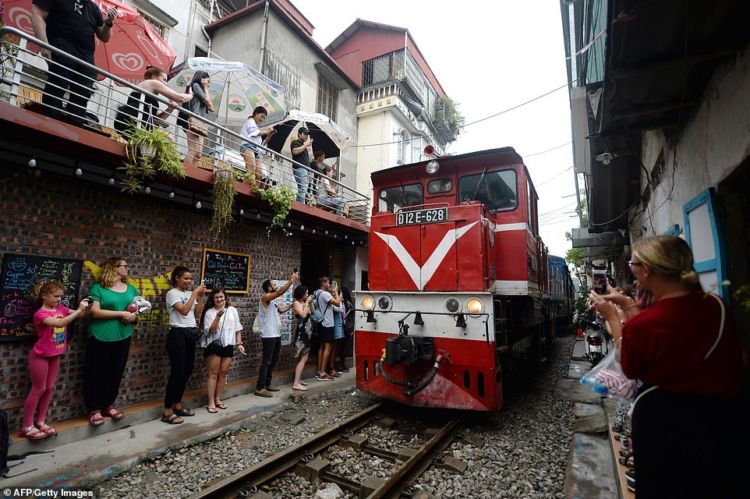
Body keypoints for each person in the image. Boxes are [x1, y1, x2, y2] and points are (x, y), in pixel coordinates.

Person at [590, 236, 747, 499]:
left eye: (633, 264)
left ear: (647, 270)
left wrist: (612, 318)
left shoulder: (644, 325)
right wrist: (627, 305)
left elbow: (630, 366)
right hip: (722, 417)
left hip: (665, 424)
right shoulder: (718, 306)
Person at [20, 282, 90, 440]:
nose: (59, 299)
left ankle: (41, 421)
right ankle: (27, 425)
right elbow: (59, 323)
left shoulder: (61, 309)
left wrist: (87, 306)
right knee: (39, 388)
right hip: (40, 356)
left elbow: (83, 315)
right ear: (44, 296)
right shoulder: (41, 314)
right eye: (56, 296)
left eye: (61, 296)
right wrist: (78, 310)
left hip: (55, 354)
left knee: (49, 388)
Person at [31, 0, 117, 127]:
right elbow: (37, 14)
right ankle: (48, 126)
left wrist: (109, 22)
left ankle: (74, 131)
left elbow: (104, 37)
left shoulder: (93, 8)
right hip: (62, 48)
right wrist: (44, 46)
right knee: (56, 88)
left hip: (86, 59)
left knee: (81, 97)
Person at [84, 257, 138, 426]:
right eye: (124, 266)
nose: (127, 268)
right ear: (114, 268)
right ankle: (94, 409)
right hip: (100, 335)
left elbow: (136, 309)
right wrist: (121, 314)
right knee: (95, 372)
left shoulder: (131, 289)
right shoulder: (98, 288)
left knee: (115, 371)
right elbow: (95, 312)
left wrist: (133, 317)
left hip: (123, 335)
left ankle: (108, 404)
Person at [162, 266, 206, 424]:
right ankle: (167, 410)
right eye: (186, 278)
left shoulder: (190, 294)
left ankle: (177, 405)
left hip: (190, 333)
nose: (189, 281)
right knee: (177, 372)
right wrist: (194, 293)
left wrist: (200, 297)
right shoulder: (172, 293)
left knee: (187, 370)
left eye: (190, 278)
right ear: (177, 278)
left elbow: (197, 313)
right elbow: (184, 311)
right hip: (177, 334)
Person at [200, 288, 244, 413]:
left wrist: (239, 343)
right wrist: (218, 317)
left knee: (223, 373)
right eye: (216, 297)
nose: (219, 299)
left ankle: (218, 398)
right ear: (212, 299)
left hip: (228, 344)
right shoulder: (209, 312)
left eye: (221, 297)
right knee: (213, 374)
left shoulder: (232, 310)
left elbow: (237, 328)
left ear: (225, 297)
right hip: (214, 345)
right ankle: (211, 401)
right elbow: (211, 330)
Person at [114, 66, 192, 135]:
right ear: (154, 77)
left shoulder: (147, 91)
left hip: (131, 121)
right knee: (168, 137)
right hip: (135, 120)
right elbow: (180, 98)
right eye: (164, 80)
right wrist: (192, 95)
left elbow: (156, 120)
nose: (165, 83)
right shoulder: (152, 83)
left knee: (166, 137)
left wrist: (170, 109)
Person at [255, 272, 298, 397]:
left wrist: (291, 304)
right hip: (268, 335)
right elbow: (279, 293)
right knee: (266, 361)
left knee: (273, 361)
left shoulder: (272, 303)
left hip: (275, 334)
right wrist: (291, 281)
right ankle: (260, 387)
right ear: (269, 288)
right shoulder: (265, 298)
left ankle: (267, 384)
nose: (276, 286)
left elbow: (281, 310)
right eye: (274, 284)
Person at [179, 71, 215, 161]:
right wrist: (206, 88)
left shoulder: (202, 91)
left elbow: (212, 108)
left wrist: (206, 89)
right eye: (208, 81)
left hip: (200, 122)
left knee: (198, 154)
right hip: (192, 119)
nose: (209, 84)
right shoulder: (195, 85)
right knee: (193, 150)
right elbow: (207, 101)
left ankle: (191, 171)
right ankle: (185, 172)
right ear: (201, 79)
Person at [240, 106, 276, 188]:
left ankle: (254, 191)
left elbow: (262, 145)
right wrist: (267, 131)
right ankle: (244, 188)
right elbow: (253, 133)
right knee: (251, 168)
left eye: (264, 118)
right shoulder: (250, 121)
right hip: (248, 146)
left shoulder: (256, 127)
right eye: (261, 116)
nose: (262, 119)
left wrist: (269, 136)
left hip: (257, 150)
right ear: (256, 113)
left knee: (259, 174)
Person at [315, 276, 341, 381]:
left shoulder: (317, 293)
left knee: (321, 347)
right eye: (328, 282)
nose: (329, 284)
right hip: (328, 323)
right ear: (323, 283)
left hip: (321, 323)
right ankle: (322, 373)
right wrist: (336, 293)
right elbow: (338, 303)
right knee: (328, 348)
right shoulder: (325, 294)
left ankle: (319, 370)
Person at [291, 285, 314, 391]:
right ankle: (296, 383)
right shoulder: (296, 303)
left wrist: (310, 302)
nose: (307, 295)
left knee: (303, 357)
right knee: (303, 357)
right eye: (305, 293)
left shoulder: (304, 303)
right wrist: (307, 303)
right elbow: (303, 315)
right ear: (301, 294)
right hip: (302, 333)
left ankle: (298, 379)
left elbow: (312, 312)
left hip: (307, 332)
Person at [290, 127, 313, 203]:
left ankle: (300, 203)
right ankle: (300, 205)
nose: (306, 136)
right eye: (305, 134)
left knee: (303, 189)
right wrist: (306, 145)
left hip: (305, 170)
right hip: (300, 168)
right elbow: (295, 152)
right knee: (302, 188)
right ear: (299, 134)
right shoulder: (295, 142)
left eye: (307, 134)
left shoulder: (303, 146)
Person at [337, 286, 355, 373]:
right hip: (346, 327)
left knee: (342, 346)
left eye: (341, 292)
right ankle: (341, 365)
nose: (341, 294)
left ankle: (341, 364)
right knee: (344, 346)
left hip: (344, 327)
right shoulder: (347, 303)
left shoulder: (346, 303)